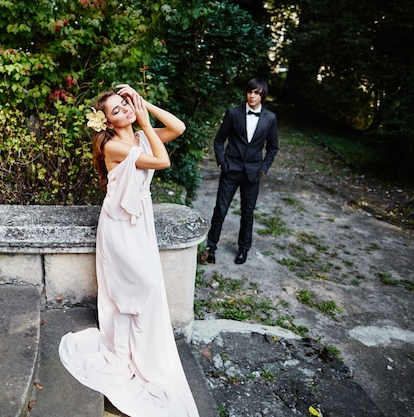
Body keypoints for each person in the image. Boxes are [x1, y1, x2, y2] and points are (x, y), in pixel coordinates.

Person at [59, 84, 200, 417]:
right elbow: (162, 161)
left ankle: (144, 348)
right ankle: (136, 352)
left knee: (143, 291)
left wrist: (144, 103)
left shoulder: (136, 138)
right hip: (120, 227)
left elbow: (179, 128)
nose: (124, 109)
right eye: (117, 109)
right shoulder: (115, 146)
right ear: (107, 122)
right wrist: (146, 123)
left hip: (140, 223)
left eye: (125, 103)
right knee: (144, 288)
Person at [201, 78, 279, 265]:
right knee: (220, 210)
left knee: (247, 213)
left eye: (257, 93)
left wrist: (264, 168)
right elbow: (219, 140)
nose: (252, 96)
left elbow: (273, 147)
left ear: (262, 96)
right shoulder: (233, 113)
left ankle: (243, 249)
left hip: (253, 172)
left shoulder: (270, 118)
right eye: (250, 92)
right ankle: (211, 248)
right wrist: (222, 162)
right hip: (231, 169)